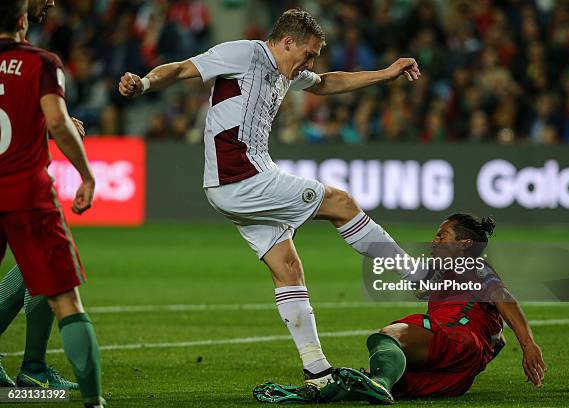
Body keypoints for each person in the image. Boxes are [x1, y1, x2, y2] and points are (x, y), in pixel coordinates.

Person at [119, 8, 420, 390]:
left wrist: (384, 73)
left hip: (236, 184)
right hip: (243, 178)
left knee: (287, 267)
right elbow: (180, 70)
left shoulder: (285, 71)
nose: (310, 62)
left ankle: (317, 370)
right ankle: (417, 277)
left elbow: (326, 83)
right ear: (287, 41)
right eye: (307, 53)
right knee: (341, 203)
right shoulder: (244, 53)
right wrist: (144, 84)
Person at [253, 214, 547, 404]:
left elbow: (502, 295)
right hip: (458, 376)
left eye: (442, 235)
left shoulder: (472, 265)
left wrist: (529, 343)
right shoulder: (449, 273)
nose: (434, 240)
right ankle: (315, 394)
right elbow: (498, 340)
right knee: (370, 379)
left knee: (388, 337)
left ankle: (378, 383)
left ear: (465, 244)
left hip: (455, 341)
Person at [0, 1, 104, 407]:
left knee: (28, 274)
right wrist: (87, 174)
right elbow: (57, 122)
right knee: (65, 297)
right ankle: (88, 399)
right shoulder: (40, 61)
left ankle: (34, 365)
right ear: (22, 17)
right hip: (26, 191)